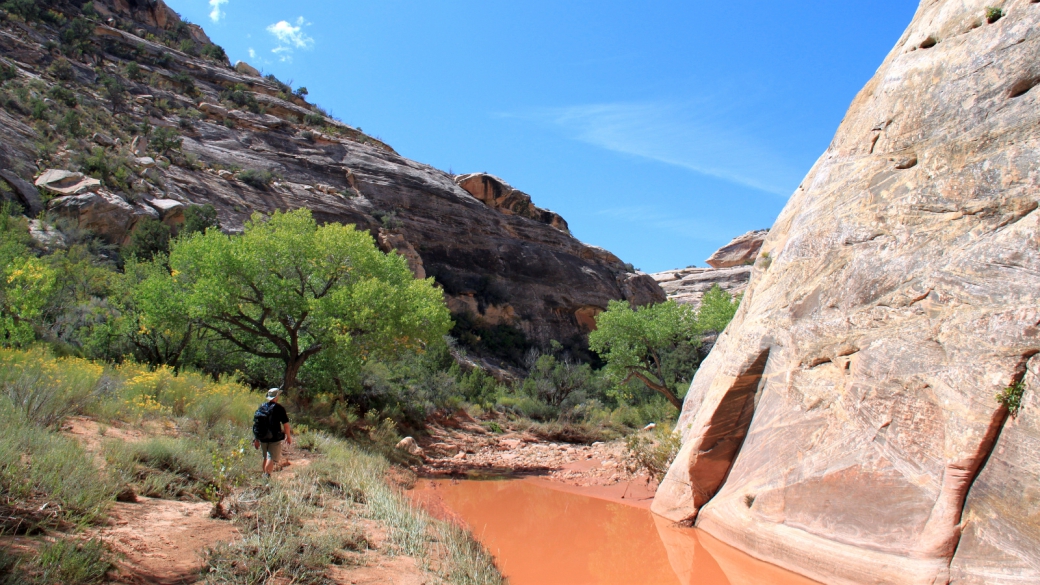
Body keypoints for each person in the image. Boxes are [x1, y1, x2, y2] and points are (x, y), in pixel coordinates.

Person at [252, 388, 292, 477]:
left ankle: (264, 476)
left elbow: (256, 424)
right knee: (271, 458)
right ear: (276, 396)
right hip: (274, 438)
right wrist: (288, 436)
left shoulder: (261, 407)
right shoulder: (279, 408)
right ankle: (267, 476)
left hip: (262, 436)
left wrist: (256, 438)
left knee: (265, 457)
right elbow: (286, 425)